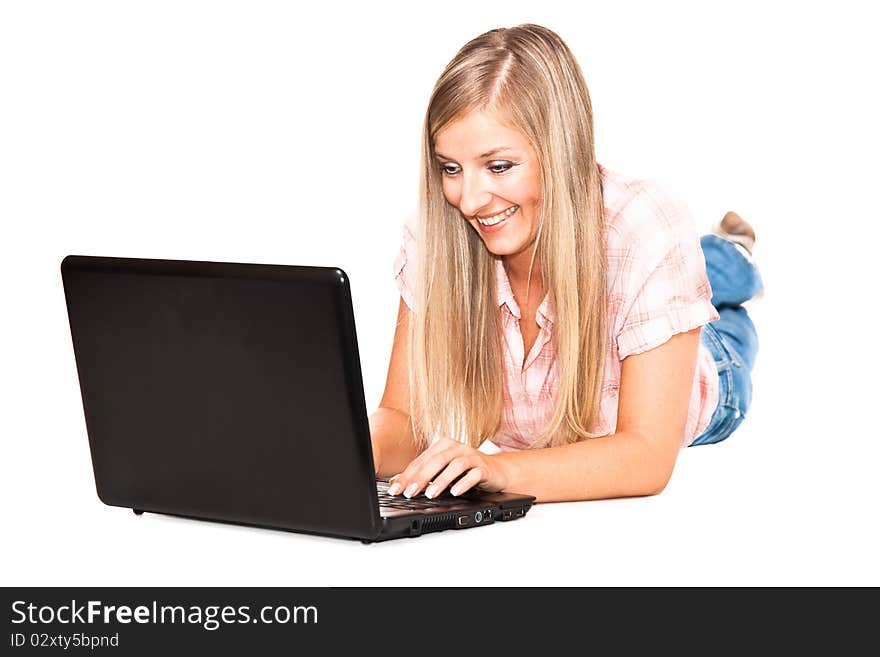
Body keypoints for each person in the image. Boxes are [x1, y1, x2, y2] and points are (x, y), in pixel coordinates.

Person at [368, 24, 763, 504]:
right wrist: (333, 452)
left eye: (498, 167)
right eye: (451, 168)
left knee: (725, 288)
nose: (469, 200)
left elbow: (646, 457)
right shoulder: (436, 235)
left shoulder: (646, 226)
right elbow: (404, 421)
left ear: (558, 151)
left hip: (715, 374)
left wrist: (498, 469)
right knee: (695, 267)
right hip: (647, 288)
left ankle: (733, 249)